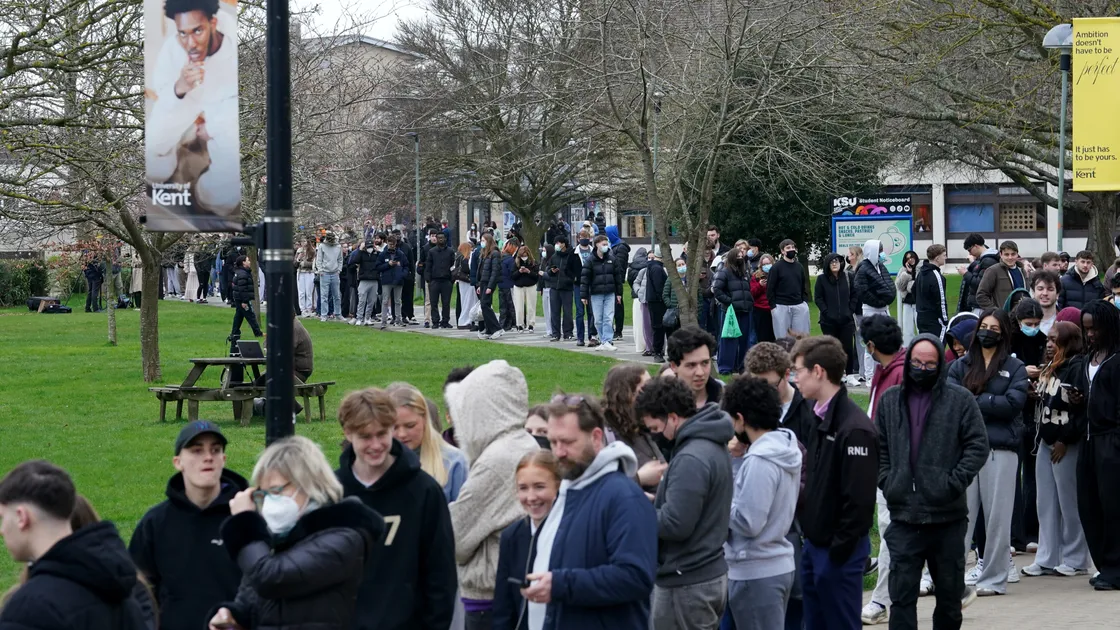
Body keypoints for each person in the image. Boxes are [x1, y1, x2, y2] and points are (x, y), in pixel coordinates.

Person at [207, 436, 384, 630]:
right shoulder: (279, 536)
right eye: (263, 494)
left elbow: (271, 578)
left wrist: (244, 522)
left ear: (309, 484)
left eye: (276, 491)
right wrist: (232, 618)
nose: (268, 503)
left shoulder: (343, 537)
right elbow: (251, 602)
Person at [874, 335, 989, 629]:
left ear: (939, 365)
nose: (921, 368)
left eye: (929, 364)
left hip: (947, 518)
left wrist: (953, 482)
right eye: (916, 362)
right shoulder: (890, 400)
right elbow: (879, 448)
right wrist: (888, 481)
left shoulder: (960, 400)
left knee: (950, 601)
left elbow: (977, 445)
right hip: (904, 515)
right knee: (901, 599)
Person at [519, 395, 658, 630]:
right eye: (553, 442)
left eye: (567, 442)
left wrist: (561, 585)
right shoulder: (568, 490)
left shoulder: (624, 497)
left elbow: (636, 577)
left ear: (595, 437)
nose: (559, 452)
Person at [334, 388, 457, 630]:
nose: (376, 444)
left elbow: (441, 576)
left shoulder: (424, 491)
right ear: (348, 433)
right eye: (365, 436)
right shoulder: (332, 493)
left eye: (382, 434)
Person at [444, 360, 541, 629]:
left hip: (488, 593)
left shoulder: (496, 459)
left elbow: (454, 536)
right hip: (512, 582)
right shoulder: (523, 442)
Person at [789, 336, 878, 630]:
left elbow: (860, 502)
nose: (794, 378)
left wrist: (837, 553)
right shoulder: (816, 417)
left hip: (838, 554)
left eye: (798, 370)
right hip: (815, 548)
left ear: (818, 372)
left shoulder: (854, 430)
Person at [633, 377, 734, 630]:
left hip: (687, 583)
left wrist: (637, 511)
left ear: (673, 417)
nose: (655, 437)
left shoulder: (691, 456)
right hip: (702, 574)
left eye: (655, 427)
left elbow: (675, 525)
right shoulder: (708, 443)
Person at [0, 461, 149, 629]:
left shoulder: (29, 609)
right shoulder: (122, 592)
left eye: (2, 517)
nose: (2, 530)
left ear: (21, 517)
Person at [130, 421, 248, 630]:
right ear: (178, 462)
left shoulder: (244, 517)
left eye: (215, 450)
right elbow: (136, 592)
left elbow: (268, 584)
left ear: (224, 459)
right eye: (196, 450)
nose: (208, 457)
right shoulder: (155, 523)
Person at [946, 308, 1029, 596]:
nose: (988, 332)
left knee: (997, 518)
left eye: (995, 328)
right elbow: (951, 402)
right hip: (964, 450)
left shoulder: (1015, 367)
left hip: (1001, 450)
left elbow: (1014, 404)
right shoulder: (960, 365)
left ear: (1003, 333)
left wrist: (976, 399)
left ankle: (994, 580)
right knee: (959, 517)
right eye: (985, 326)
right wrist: (990, 401)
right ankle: (949, 578)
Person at [721, 376, 803, 630]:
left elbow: (749, 522)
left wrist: (717, 502)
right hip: (774, 563)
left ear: (741, 419)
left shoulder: (760, 460)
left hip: (756, 570)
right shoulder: (782, 446)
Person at [146, 0, 239, 220]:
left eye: (197, 31)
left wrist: (213, 128)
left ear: (213, 23)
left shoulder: (233, 45)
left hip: (221, 115)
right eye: (183, 34)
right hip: (186, 105)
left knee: (220, 198)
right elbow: (161, 103)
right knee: (154, 159)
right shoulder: (172, 48)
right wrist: (179, 88)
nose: (191, 43)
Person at [856, 314, 912, 625]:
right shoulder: (885, 369)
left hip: (893, 470)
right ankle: (952, 587)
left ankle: (880, 600)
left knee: (893, 532)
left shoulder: (900, 374)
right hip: (884, 466)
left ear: (873, 346)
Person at [1021, 322, 1089, 578]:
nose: (1049, 344)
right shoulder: (1049, 367)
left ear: (1069, 342)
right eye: (1048, 339)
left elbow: (1081, 410)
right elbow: (1050, 399)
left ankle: (1075, 558)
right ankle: (1047, 556)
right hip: (1045, 443)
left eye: (1054, 340)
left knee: (1069, 503)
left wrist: (1066, 439)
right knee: (1045, 503)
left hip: (1065, 445)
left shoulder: (1077, 368)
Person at [1077, 301, 1120, 591]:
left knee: (1114, 508)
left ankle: (1116, 569)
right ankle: (1104, 564)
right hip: (1089, 440)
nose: (1090, 334)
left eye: (1095, 328)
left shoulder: (1117, 360)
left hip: (1111, 441)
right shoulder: (1089, 357)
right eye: (1086, 328)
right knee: (1089, 505)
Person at [493, 451, 563, 630]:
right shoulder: (512, 536)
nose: (531, 497)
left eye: (539, 487)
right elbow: (504, 603)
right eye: (523, 488)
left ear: (558, 486)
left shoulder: (570, 532)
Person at [388, 382, 469, 503]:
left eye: (410, 426)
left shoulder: (454, 461)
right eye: (394, 427)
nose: (402, 434)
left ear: (425, 420)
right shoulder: (373, 461)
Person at [602, 364, 667, 493]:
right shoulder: (605, 436)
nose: (653, 393)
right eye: (646, 389)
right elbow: (600, 487)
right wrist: (639, 478)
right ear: (626, 395)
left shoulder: (645, 425)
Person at [854, 239, 898, 383]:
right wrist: (878, 302)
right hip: (871, 310)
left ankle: (883, 372)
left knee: (884, 341)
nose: (881, 254)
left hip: (883, 309)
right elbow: (863, 291)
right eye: (879, 251)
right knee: (870, 343)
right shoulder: (863, 269)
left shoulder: (880, 267)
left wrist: (887, 299)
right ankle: (870, 376)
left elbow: (889, 285)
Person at [815, 252, 859, 381]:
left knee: (847, 347)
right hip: (828, 321)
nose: (835, 264)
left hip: (846, 320)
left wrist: (850, 310)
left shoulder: (848, 276)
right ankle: (835, 374)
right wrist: (826, 312)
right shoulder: (821, 279)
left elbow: (855, 294)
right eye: (832, 262)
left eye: (837, 261)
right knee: (831, 349)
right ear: (827, 264)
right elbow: (818, 298)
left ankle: (850, 374)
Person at [714, 247, 755, 374]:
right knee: (728, 339)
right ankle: (725, 367)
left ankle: (742, 366)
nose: (740, 258)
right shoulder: (724, 272)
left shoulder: (745, 274)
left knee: (744, 340)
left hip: (745, 310)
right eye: (737, 256)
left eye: (741, 256)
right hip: (731, 312)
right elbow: (717, 290)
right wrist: (729, 301)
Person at [581, 234, 623, 352]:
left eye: (606, 244)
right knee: (598, 319)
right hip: (596, 293)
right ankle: (603, 339)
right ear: (596, 245)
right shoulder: (590, 260)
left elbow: (617, 277)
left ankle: (607, 340)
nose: (606, 246)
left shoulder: (612, 259)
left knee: (608, 317)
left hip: (610, 293)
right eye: (603, 244)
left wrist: (619, 293)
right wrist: (584, 295)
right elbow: (584, 278)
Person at [668, 326, 724, 408]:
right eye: (691, 365)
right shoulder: (662, 406)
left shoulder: (727, 399)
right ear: (674, 366)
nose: (700, 372)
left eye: (705, 363)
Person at [767, 240, 811, 339]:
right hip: (781, 306)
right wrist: (773, 307)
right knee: (783, 339)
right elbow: (770, 288)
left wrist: (805, 303)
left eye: (793, 247)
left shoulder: (799, 267)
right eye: (788, 248)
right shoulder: (776, 268)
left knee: (801, 338)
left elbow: (803, 286)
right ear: (782, 251)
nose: (791, 250)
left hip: (799, 306)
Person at [547, 236, 581, 342]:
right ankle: (555, 333)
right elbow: (548, 269)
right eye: (556, 243)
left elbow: (574, 271)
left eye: (559, 243)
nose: (557, 245)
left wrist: (570, 279)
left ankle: (568, 333)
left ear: (564, 244)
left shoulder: (571, 255)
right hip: (554, 287)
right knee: (554, 312)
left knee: (567, 312)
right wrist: (551, 271)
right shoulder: (554, 256)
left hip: (567, 287)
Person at [976, 241, 1026, 311]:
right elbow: (981, 295)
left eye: (1013, 254)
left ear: (1017, 254)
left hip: (1022, 315)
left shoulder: (1023, 270)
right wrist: (996, 312)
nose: (1010, 257)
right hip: (1003, 317)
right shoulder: (993, 271)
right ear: (1001, 255)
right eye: (1006, 254)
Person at [475, 233, 506, 340]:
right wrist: (480, 284)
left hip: (489, 283)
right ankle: (488, 330)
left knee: (485, 305)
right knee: (485, 306)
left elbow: (495, 271)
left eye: (483, 240)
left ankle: (496, 328)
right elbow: (482, 270)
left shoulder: (495, 254)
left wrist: (490, 286)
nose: (481, 242)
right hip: (483, 282)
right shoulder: (485, 253)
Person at [914, 245, 949, 338]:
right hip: (934, 320)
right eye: (944, 255)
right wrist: (945, 321)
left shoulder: (921, 273)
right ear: (937, 258)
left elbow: (914, 292)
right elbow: (941, 300)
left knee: (926, 346)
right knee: (938, 348)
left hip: (921, 317)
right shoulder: (936, 276)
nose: (946, 257)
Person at [961, 234, 1000, 314]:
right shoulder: (986, 259)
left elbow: (980, 284)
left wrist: (965, 274)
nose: (970, 254)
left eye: (969, 250)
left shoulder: (988, 260)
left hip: (982, 306)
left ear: (976, 246)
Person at [572, 231, 600, 346]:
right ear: (578, 239)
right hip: (578, 284)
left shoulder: (593, 252)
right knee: (579, 312)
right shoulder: (574, 253)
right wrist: (574, 277)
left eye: (586, 237)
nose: (584, 239)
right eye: (582, 237)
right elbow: (568, 268)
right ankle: (580, 337)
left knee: (591, 312)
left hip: (591, 284)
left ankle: (592, 336)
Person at [377, 235, 410, 329]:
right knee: (385, 300)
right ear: (387, 243)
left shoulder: (400, 254)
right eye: (390, 244)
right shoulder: (383, 254)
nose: (392, 246)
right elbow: (378, 267)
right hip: (386, 280)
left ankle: (398, 319)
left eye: (393, 244)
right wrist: (388, 264)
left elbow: (406, 266)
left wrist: (403, 274)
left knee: (398, 300)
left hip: (398, 280)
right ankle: (384, 321)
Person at [425, 232, 456, 329]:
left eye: (442, 238)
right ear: (437, 240)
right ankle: (435, 321)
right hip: (435, 280)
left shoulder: (450, 251)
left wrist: (452, 278)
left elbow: (453, 265)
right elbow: (428, 266)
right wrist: (428, 279)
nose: (441, 239)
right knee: (434, 302)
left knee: (446, 302)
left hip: (446, 280)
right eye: (439, 238)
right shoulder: (432, 251)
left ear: (445, 239)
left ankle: (445, 321)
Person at [313, 231, 344, 322]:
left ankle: (338, 313)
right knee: (324, 295)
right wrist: (320, 270)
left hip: (335, 273)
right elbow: (319, 260)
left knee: (337, 295)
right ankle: (324, 315)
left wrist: (339, 270)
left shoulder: (338, 247)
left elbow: (340, 260)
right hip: (325, 273)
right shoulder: (322, 246)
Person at [229, 255, 262, 339]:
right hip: (242, 299)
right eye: (248, 260)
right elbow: (242, 289)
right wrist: (244, 301)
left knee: (239, 316)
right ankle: (258, 333)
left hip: (239, 298)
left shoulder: (241, 272)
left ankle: (234, 331)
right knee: (250, 316)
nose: (250, 262)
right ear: (243, 262)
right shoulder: (243, 274)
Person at [646, 247, 670, 361]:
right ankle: (658, 352)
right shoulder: (657, 268)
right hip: (658, 302)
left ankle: (659, 351)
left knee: (659, 327)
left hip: (655, 301)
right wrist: (665, 299)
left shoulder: (654, 266)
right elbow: (659, 287)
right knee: (659, 327)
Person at [607, 225, 629, 340]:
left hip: (617, 280)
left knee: (618, 305)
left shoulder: (620, 247)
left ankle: (618, 330)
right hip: (611, 279)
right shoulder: (613, 246)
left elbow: (619, 265)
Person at [353, 238, 381, 326]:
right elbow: (355, 260)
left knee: (371, 301)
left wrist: (377, 251)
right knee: (362, 300)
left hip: (374, 280)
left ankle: (367, 318)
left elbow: (381, 259)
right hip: (364, 279)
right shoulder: (361, 254)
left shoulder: (377, 254)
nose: (370, 249)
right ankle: (359, 318)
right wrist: (360, 250)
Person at [512, 245, 540, 333]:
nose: (523, 257)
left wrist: (529, 272)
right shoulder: (516, 262)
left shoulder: (533, 262)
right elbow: (512, 276)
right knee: (519, 307)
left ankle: (531, 324)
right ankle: (519, 324)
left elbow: (536, 276)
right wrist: (519, 272)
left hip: (530, 285)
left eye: (525, 255)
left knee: (531, 306)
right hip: (519, 286)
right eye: (522, 255)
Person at [630, 246, 652, 353]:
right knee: (648, 323)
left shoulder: (632, 267)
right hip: (647, 297)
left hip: (638, 297)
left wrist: (638, 291)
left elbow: (632, 282)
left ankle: (640, 346)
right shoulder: (645, 269)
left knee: (639, 324)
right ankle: (649, 346)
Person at [750, 253, 775, 343]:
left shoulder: (777, 274)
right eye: (764, 264)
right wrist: (760, 285)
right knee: (763, 336)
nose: (766, 266)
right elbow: (752, 293)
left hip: (774, 308)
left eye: (768, 263)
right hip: (760, 309)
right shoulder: (756, 276)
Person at [895, 250, 920, 344]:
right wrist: (907, 274)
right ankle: (907, 349)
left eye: (912, 257)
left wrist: (910, 283)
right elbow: (899, 286)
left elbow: (913, 287)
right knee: (907, 329)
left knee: (920, 327)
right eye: (908, 258)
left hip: (919, 303)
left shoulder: (921, 269)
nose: (910, 260)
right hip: (907, 302)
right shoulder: (902, 271)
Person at [1031, 270, 1061, 335]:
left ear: (1057, 294)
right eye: (1040, 289)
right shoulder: (1025, 322)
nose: (1045, 293)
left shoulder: (1064, 320)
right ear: (1033, 292)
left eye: (1050, 289)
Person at [499, 241, 519, 332]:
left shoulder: (501, 258)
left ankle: (503, 323)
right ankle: (514, 323)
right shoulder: (510, 260)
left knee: (503, 305)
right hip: (509, 284)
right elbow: (512, 272)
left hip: (501, 284)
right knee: (511, 305)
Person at [296, 238, 317, 317]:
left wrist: (304, 263)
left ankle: (309, 309)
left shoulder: (312, 251)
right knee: (301, 292)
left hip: (309, 273)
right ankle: (303, 309)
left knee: (309, 292)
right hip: (300, 273)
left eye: (304, 241)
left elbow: (313, 264)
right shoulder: (299, 251)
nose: (303, 243)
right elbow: (295, 263)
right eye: (301, 241)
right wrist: (298, 259)